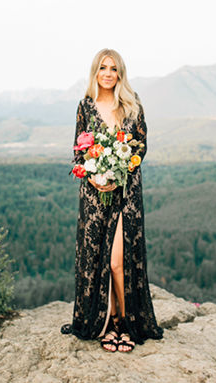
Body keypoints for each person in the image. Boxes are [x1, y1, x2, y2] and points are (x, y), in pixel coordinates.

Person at [61, 48, 163, 352]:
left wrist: (121, 170)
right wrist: (93, 176)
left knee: (118, 261)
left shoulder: (132, 105)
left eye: (113, 69)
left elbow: (140, 146)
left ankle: (123, 323)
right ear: (95, 72)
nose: (108, 73)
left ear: (120, 73)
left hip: (127, 194)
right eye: (103, 68)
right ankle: (105, 324)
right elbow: (79, 150)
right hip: (94, 196)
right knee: (96, 258)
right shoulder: (86, 107)